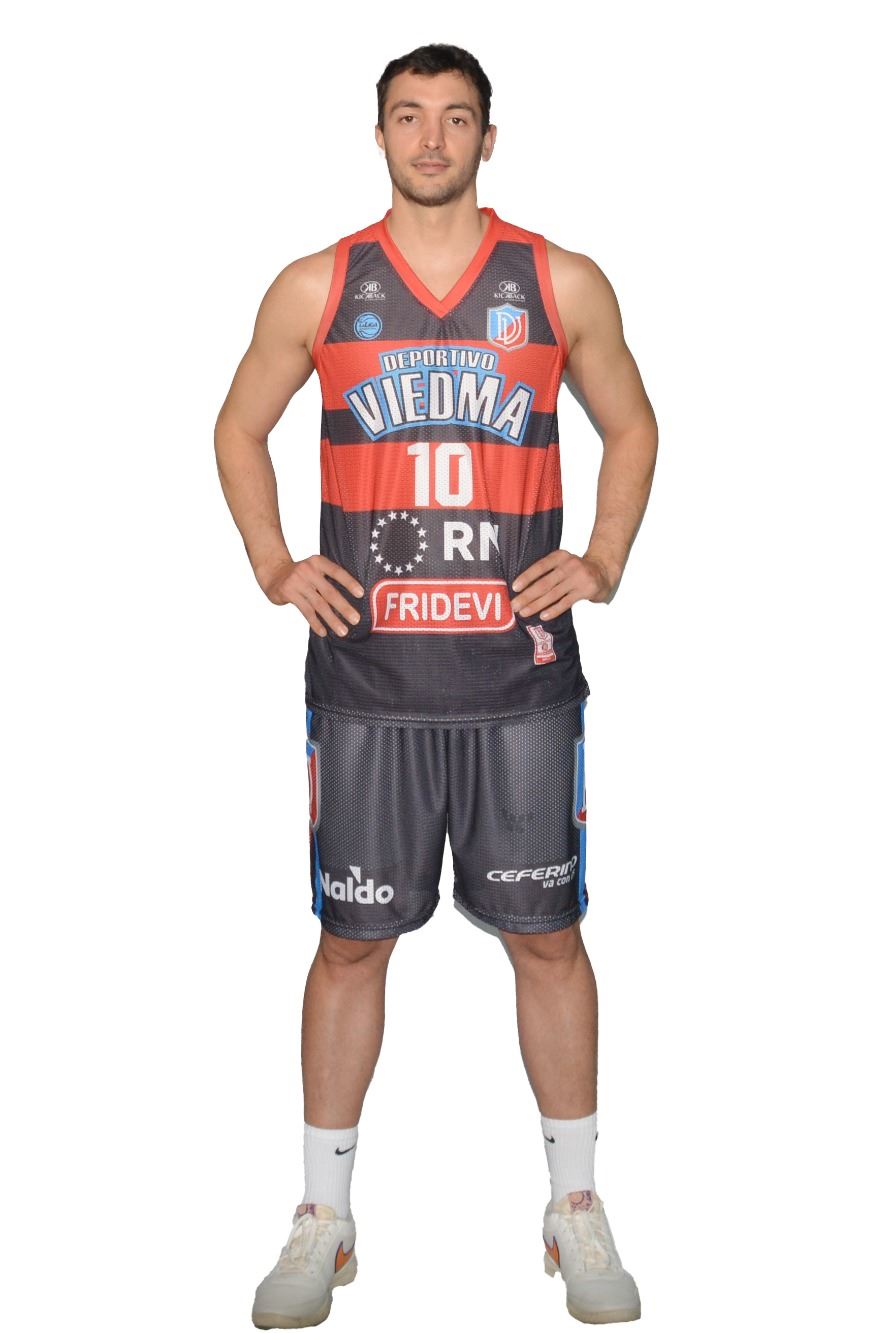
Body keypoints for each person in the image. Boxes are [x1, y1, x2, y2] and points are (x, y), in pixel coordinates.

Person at [214, 41, 657, 1329]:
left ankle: (575, 1204)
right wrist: (274, 563)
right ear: (379, 134)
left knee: (550, 939)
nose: (430, 139)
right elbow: (237, 426)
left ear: (487, 138)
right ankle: (324, 1218)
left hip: (520, 681)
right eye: (408, 116)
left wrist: (603, 558)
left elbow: (633, 423)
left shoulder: (558, 280)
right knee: (349, 944)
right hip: (369, 680)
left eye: (455, 118)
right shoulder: (320, 284)